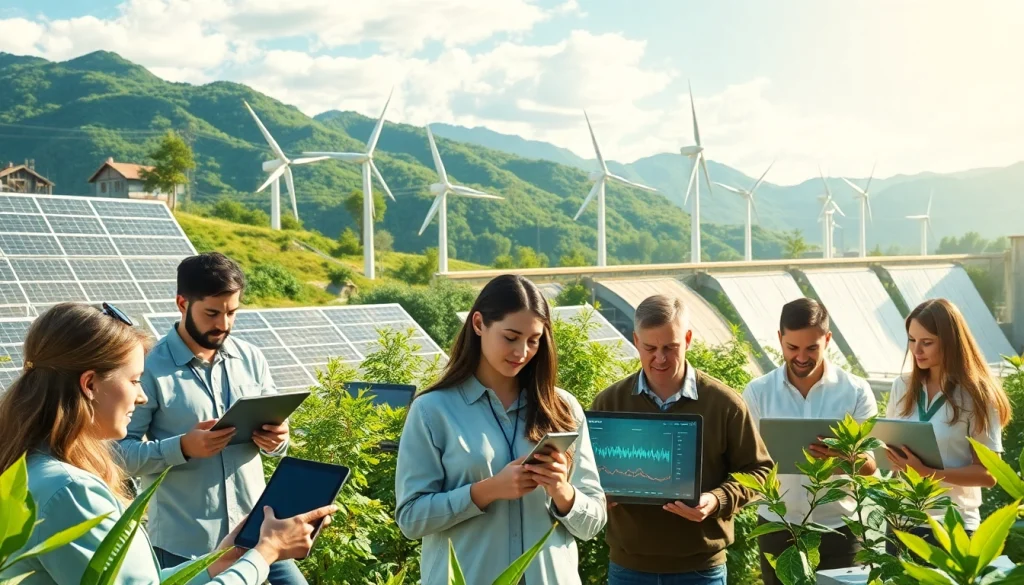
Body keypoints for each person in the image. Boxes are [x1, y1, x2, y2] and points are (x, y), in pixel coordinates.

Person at [0, 303, 336, 585]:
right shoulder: (71, 490)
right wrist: (266, 552)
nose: (141, 395)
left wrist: (221, 560)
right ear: (89, 384)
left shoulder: (33, 470)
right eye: (134, 381)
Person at [395, 274, 606, 585]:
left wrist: (562, 491)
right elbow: (411, 519)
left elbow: (593, 522)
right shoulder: (431, 410)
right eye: (511, 337)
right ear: (479, 324)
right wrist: (488, 490)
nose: (522, 352)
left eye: (533, 341)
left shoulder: (563, 408)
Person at [116, 253, 304, 584]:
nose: (224, 324)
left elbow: (279, 441)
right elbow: (118, 455)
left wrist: (278, 440)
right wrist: (183, 447)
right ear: (182, 303)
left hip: (254, 533)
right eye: (212, 313)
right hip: (184, 547)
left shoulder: (252, 358)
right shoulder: (148, 367)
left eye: (232, 313)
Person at [591, 294, 773, 585]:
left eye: (670, 347)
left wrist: (716, 499)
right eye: (650, 348)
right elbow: (584, 473)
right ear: (635, 341)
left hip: (701, 570)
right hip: (629, 570)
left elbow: (761, 472)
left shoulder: (724, 403)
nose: (660, 358)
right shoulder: (608, 402)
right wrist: (596, 492)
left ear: (687, 339)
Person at [742, 298, 878, 584]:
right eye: (792, 348)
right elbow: (746, 461)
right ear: (780, 339)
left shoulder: (855, 391)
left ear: (827, 339)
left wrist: (841, 457)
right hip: (778, 528)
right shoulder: (758, 392)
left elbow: (871, 466)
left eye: (812, 348)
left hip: (841, 530)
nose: (802, 357)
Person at [885, 298, 1011, 539]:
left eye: (927, 342)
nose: (916, 350)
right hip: (901, 520)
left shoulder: (978, 395)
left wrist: (926, 472)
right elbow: (891, 453)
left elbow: (988, 475)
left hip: (954, 524)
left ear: (951, 342)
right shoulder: (901, 386)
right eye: (912, 340)